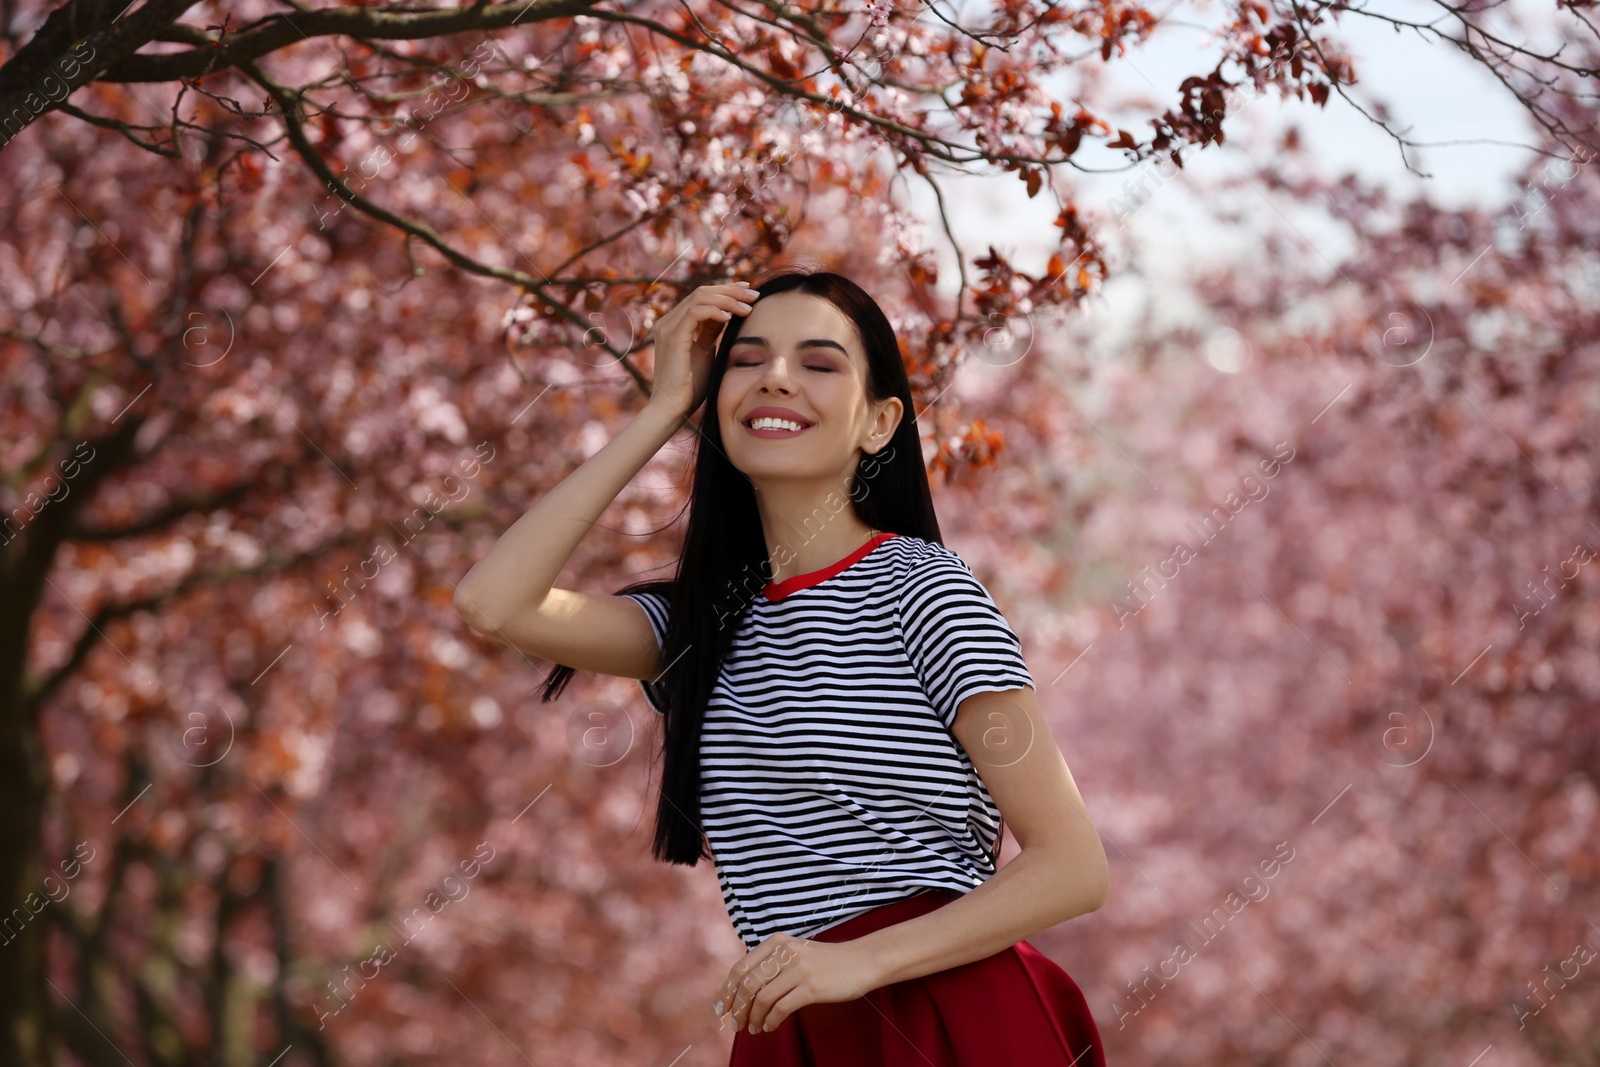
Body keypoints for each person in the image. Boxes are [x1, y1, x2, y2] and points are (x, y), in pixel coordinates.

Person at [453, 268, 1110, 1065]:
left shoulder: (927, 591)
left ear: (879, 422)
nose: (777, 378)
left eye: (820, 363)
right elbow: (495, 602)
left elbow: (1072, 864)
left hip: (942, 1006)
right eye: (748, 359)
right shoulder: (696, 624)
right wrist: (665, 407)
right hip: (795, 1019)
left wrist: (858, 960)